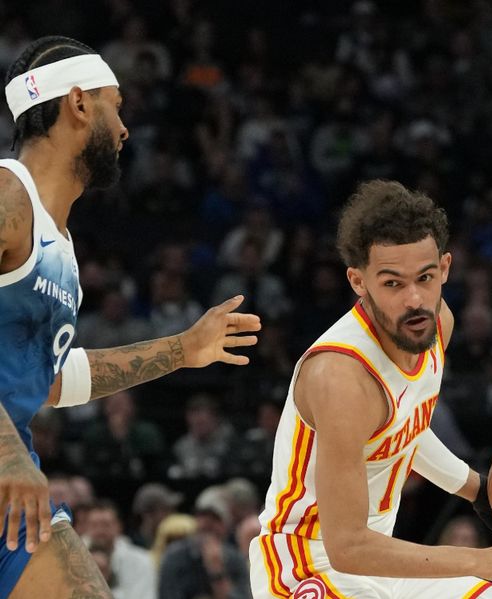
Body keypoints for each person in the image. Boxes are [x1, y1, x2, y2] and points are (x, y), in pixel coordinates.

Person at [0, 36, 260, 599]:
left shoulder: (59, 246)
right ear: (78, 104)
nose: (124, 129)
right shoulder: (6, 194)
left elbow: (45, 382)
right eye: (115, 104)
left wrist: (183, 350)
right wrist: (8, 453)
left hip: (12, 494)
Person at [249, 180, 492, 599]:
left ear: (445, 268)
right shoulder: (341, 378)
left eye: (425, 277)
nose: (415, 299)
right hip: (305, 566)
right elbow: (347, 547)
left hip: (383, 560)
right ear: (358, 282)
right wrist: (482, 561)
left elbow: (403, 430)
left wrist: (477, 489)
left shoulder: (436, 325)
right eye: (393, 283)